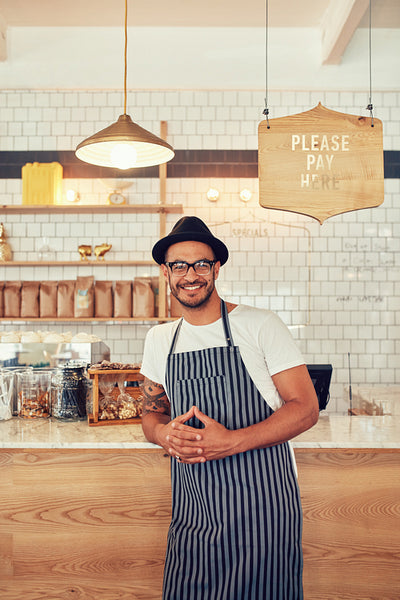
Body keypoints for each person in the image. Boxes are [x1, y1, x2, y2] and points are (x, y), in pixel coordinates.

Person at [140, 216, 319, 600]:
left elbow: (305, 408)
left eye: (201, 264)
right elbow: (150, 413)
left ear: (216, 268)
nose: (190, 274)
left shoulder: (259, 324)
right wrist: (162, 434)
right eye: (179, 265)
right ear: (165, 272)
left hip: (263, 509)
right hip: (194, 509)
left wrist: (230, 441)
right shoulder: (159, 340)